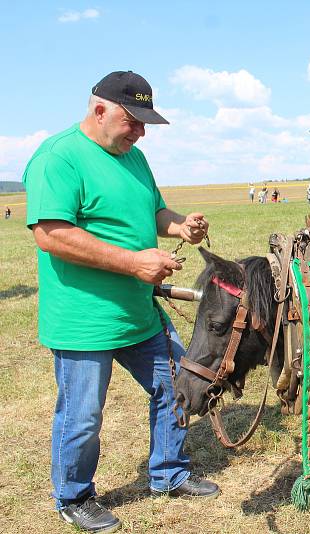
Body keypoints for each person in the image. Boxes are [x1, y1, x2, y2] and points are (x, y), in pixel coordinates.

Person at [22, 70, 219, 534]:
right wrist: (134, 263)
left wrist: (181, 227)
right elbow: (52, 236)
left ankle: (169, 473)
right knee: (83, 414)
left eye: (146, 123)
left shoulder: (134, 159)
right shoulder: (59, 157)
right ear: (99, 110)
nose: (141, 132)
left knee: (175, 385)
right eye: (133, 121)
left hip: (138, 315)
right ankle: (74, 496)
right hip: (82, 319)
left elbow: (154, 214)